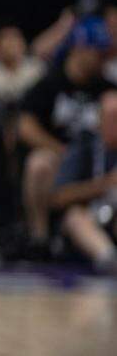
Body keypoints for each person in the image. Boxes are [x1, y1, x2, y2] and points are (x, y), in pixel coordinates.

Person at [16, 16, 114, 258]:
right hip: (62, 160)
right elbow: (25, 126)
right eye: (97, 52)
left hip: (96, 161)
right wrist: (62, 151)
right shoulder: (51, 82)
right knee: (39, 163)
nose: (102, 59)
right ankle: (40, 238)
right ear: (79, 47)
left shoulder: (106, 88)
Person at [51, 90, 117, 274]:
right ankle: (108, 258)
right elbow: (58, 197)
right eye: (112, 118)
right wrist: (104, 185)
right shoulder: (84, 146)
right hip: (90, 219)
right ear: (99, 120)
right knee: (75, 216)